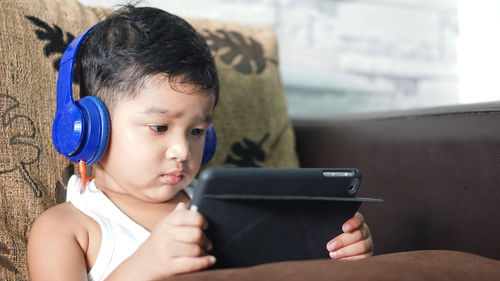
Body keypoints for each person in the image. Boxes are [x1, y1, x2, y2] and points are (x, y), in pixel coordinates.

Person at [27, 5, 374, 281]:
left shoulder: (226, 210)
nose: (182, 151)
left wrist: (338, 253)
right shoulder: (68, 229)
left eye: (197, 131)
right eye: (159, 127)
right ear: (86, 129)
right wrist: (143, 267)